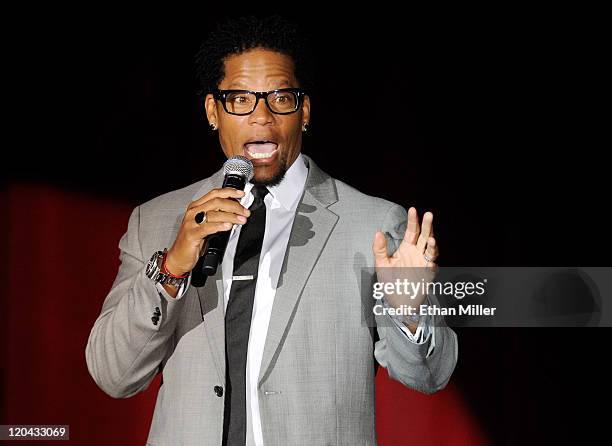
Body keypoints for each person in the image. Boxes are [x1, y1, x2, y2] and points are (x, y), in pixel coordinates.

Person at [85, 15, 458, 446]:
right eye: (240, 99)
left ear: (304, 112)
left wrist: (409, 312)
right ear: (212, 111)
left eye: (280, 97)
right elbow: (113, 375)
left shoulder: (371, 224)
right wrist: (172, 266)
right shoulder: (156, 221)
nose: (261, 117)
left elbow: (430, 375)